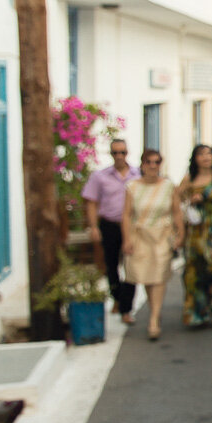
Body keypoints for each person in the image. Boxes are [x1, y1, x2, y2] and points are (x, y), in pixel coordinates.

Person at [121, 149, 183, 340]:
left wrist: (180, 234)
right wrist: (127, 239)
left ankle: (154, 318)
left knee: (159, 276)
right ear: (142, 164)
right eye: (149, 162)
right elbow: (126, 214)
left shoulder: (168, 186)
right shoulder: (132, 187)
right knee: (146, 276)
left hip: (163, 235)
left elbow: (177, 211)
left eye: (156, 162)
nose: (153, 166)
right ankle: (154, 308)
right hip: (140, 235)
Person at [177, 143, 212, 329]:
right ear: (195, 159)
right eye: (201, 154)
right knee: (195, 271)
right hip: (195, 230)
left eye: (209, 154)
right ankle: (196, 311)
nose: (206, 157)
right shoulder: (189, 179)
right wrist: (189, 201)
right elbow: (178, 200)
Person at [81, 138, 137, 325]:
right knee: (111, 265)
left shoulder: (137, 174)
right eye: (115, 153)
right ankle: (117, 297)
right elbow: (91, 202)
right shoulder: (100, 176)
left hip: (132, 227)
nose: (119, 156)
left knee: (131, 266)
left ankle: (126, 307)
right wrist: (94, 227)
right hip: (110, 224)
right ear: (111, 154)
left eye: (122, 152)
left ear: (127, 152)